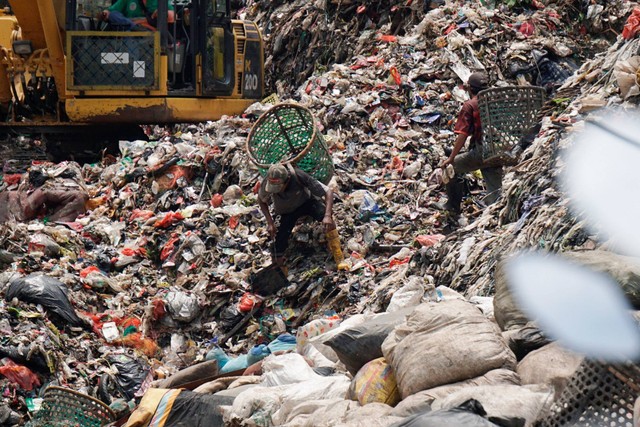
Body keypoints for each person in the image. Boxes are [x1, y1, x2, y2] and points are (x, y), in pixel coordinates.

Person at [257, 163, 347, 269]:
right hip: (285, 212)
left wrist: (327, 216)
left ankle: (338, 255)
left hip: (306, 203)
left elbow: (328, 192)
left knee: (327, 219)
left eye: (279, 187)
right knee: (277, 243)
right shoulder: (268, 182)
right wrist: (270, 223)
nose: (277, 191)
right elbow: (261, 200)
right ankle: (279, 270)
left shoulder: (298, 176)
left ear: (287, 180)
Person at [439, 72, 503, 213]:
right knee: (493, 183)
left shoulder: (470, 105)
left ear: (469, 89)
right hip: (501, 149)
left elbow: (462, 135)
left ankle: (453, 206)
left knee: (451, 168)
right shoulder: (496, 102)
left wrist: (451, 158)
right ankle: (497, 211)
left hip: (482, 152)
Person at [99, 0, 175, 31]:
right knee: (113, 15)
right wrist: (104, 13)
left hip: (150, 33)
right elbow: (110, 11)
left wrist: (162, 13)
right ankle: (132, 26)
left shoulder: (160, 1)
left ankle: (133, 26)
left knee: (130, 38)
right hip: (130, 30)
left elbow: (174, 16)